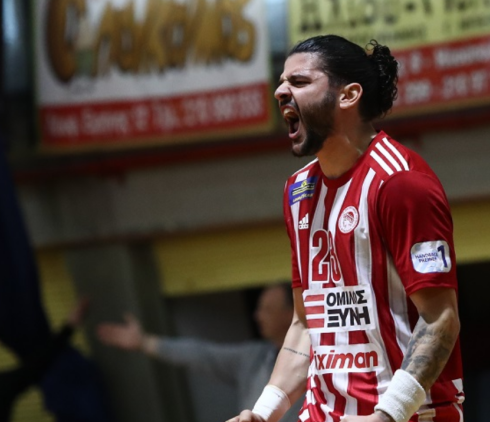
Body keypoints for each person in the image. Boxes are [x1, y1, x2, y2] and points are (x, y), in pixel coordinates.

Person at [229, 35, 464, 422]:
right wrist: (264, 412)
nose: (280, 92)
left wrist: (387, 415)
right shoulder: (298, 190)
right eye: (282, 82)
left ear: (348, 95)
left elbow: (441, 319)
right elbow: (306, 322)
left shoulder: (400, 182)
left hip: (407, 414)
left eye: (299, 82)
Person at [97, 283, 304, 422]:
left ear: (292, 313)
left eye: (267, 309)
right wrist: (144, 342)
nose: (257, 315)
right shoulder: (254, 357)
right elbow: (201, 354)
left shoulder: (315, 358)